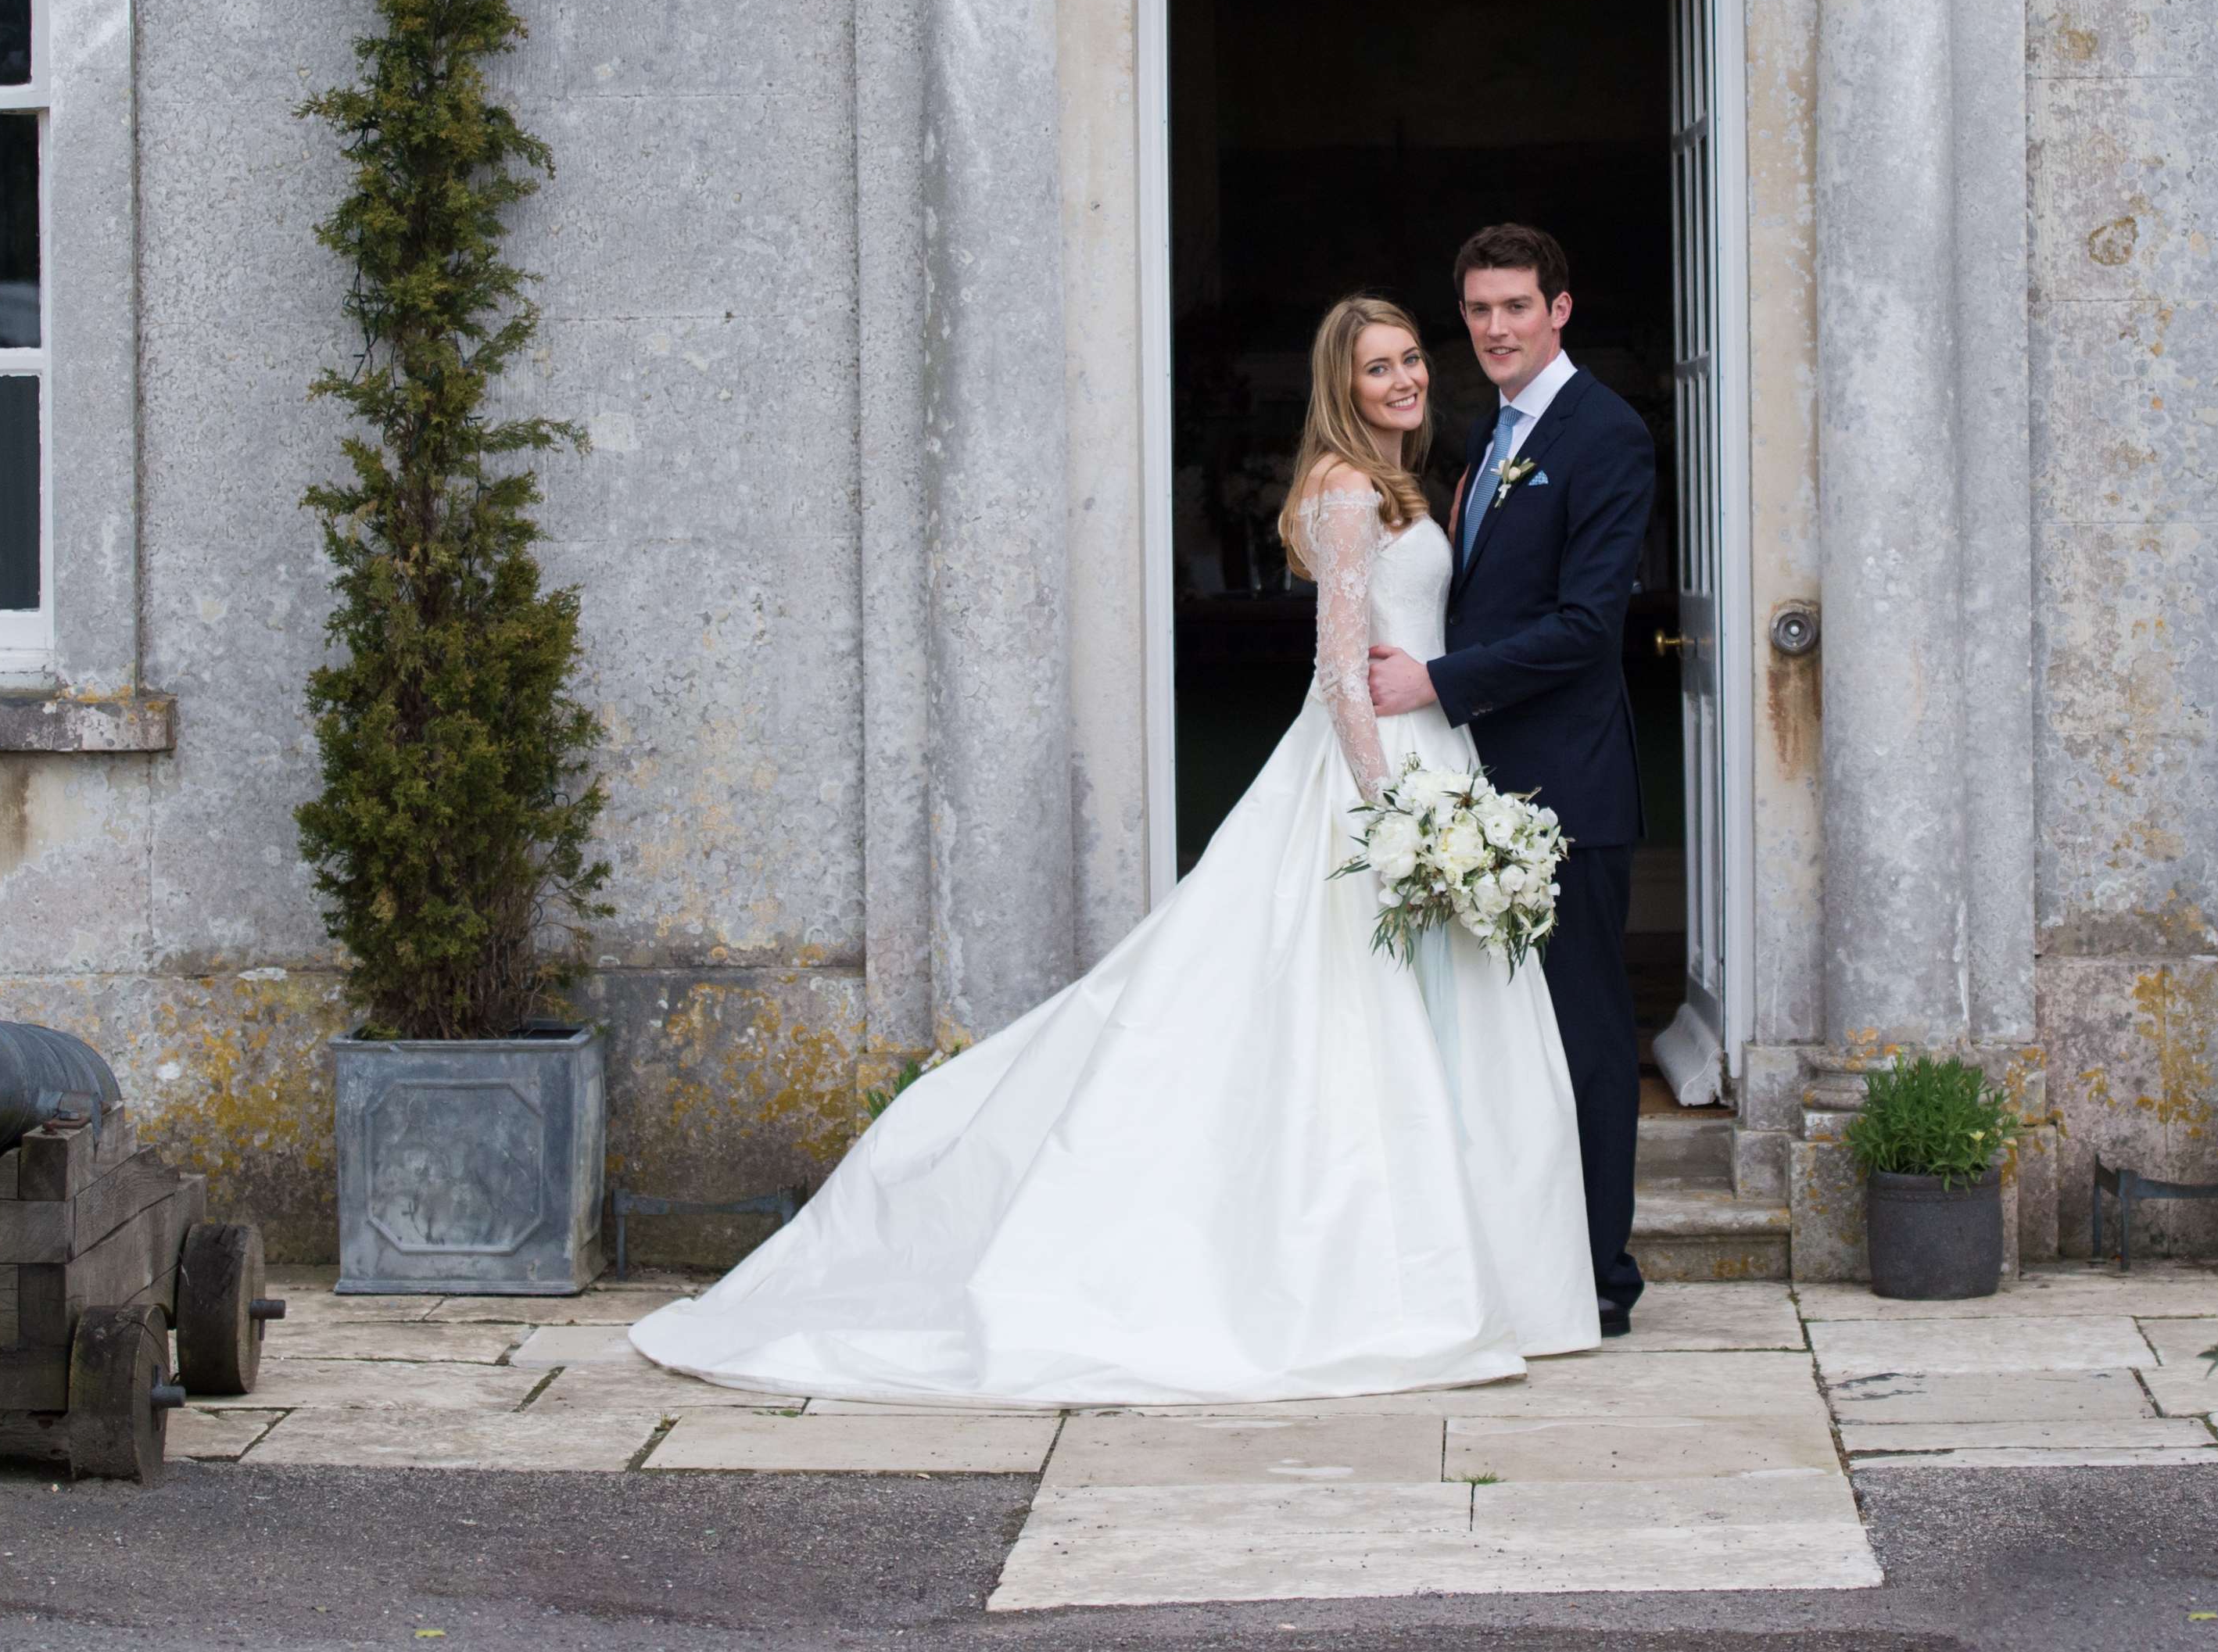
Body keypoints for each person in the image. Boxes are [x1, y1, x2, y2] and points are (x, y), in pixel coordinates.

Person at [629, 295, 1595, 1405]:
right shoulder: (1341, 492)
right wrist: (1390, 818)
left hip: (1439, 747)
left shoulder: (1413, 486)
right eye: (1381, 369)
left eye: (1413, 359)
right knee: (1346, 1025)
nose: (1407, 380)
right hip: (1376, 773)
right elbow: (1337, 671)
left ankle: (1497, 1275)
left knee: (1457, 1017)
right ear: (1345, 386)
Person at [1367, 223, 1656, 1337]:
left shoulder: (1604, 434)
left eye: (1516, 308)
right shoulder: (1491, 433)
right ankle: (1528, 1260)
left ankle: (1600, 1278)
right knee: (1508, 1044)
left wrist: (1436, 684)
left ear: (1561, 309)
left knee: (1584, 1041)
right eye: (1480, 311)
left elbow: (1586, 630)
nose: (1495, 329)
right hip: (1487, 790)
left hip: (1568, 794)